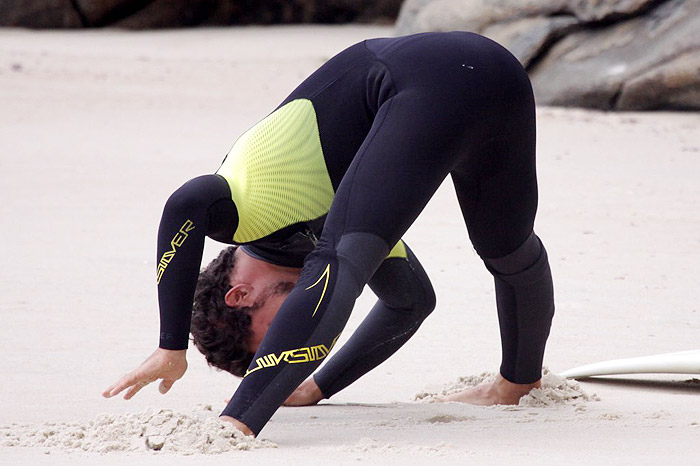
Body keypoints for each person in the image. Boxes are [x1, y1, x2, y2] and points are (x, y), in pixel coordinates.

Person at [102, 31, 555, 437]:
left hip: (422, 80)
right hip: (500, 75)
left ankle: (237, 425)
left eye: (280, 338)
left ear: (239, 295)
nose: (299, 346)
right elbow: (410, 302)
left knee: (339, 265)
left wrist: (171, 345)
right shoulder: (341, 226)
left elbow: (186, 203)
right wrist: (317, 386)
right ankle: (517, 383)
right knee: (508, 250)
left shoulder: (243, 215)